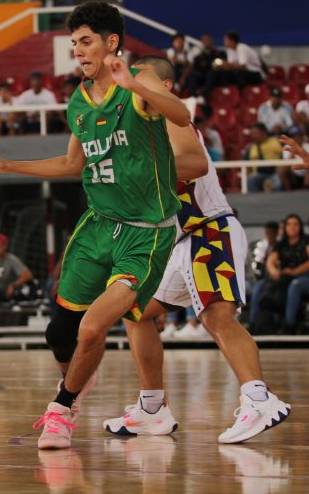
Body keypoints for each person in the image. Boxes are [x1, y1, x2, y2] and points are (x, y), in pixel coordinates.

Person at [0, 2, 208, 449]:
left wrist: (136, 84)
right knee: (60, 333)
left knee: (92, 329)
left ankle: (61, 410)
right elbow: (72, 162)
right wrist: (7, 165)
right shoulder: (78, 101)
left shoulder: (139, 82)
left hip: (145, 233)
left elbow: (181, 115)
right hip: (97, 225)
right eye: (74, 42)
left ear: (111, 42)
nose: (78, 50)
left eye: (86, 41)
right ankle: (77, 380)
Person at [98, 56, 290, 443]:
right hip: (180, 242)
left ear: (163, 87)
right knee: (135, 311)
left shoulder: (172, 118)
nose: (128, 83)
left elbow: (193, 164)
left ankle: (259, 399)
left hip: (209, 229)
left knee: (218, 318)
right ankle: (152, 409)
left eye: (139, 77)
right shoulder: (139, 129)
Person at [250, 214, 309, 335]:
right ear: (285, 227)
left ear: (300, 227)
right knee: (259, 286)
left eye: (295, 224)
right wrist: (274, 271)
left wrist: (295, 271)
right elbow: (271, 261)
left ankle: (289, 324)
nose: (292, 227)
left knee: (295, 286)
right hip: (284, 276)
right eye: (289, 224)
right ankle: (253, 323)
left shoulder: (306, 241)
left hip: (303, 276)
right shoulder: (281, 244)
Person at [204, 30, 264, 97]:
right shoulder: (230, 50)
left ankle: (242, 96)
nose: (224, 41)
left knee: (236, 74)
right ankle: (223, 94)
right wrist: (221, 66)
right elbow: (230, 65)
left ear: (232, 41)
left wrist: (225, 64)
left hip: (255, 74)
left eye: (226, 39)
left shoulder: (242, 48)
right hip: (242, 73)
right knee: (220, 73)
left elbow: (242, 66)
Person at [244, 122, 284, 192]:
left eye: (255, 133)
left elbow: (282, 158)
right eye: (252, 133)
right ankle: (254, 201)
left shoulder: (275, 142)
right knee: (251, 179)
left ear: (263, 133)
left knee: (277, 180)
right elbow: (247, 166)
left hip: (273, 173)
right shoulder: (250, 148)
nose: (253, 136)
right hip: (257, 175)